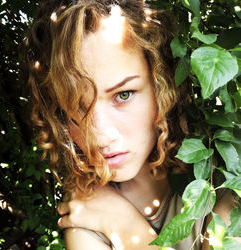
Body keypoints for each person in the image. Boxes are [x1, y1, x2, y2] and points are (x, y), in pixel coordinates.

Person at [25, 0, 237, 249]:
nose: (101, 136)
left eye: (123, 94)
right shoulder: (87, 217)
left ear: (162, 86)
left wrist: (125, 226)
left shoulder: (225, 180)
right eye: (74, 107)